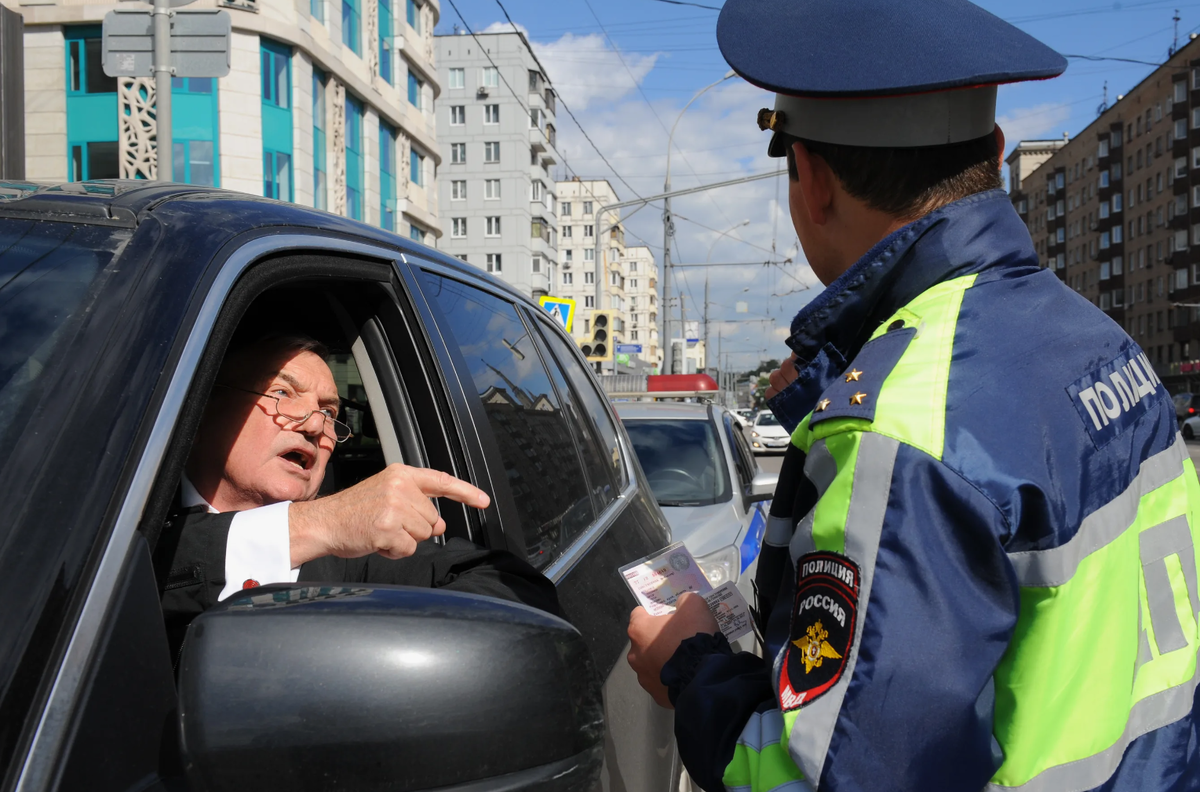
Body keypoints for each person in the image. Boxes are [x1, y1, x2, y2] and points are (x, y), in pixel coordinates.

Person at [626, 1, 1200, 790]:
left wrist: (690, 669)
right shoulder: (1100, 342)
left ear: (814, 181)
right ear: (995, 153)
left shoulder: (896, 428)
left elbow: (829, 779)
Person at [160, 331, 561, 648]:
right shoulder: (119, 513)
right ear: (199, 408)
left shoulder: (354, 555)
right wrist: (315, 525)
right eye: (282, 393)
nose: (315, 425)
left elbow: (519, 591)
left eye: (329, 412)